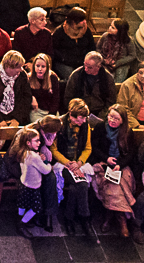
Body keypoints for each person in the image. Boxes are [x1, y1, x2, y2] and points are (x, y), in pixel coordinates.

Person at [90, 104, 137, 236]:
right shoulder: (101, 127)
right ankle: (122, 220)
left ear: (123, 120)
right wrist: (107, 158)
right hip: (103, 162)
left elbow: (131, 153)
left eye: (116, 118)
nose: (112, 120)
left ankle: (109, 217)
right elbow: (94, 147)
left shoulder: (127, 132)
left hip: (120, 164)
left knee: (121, 181)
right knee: (113, 185)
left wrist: (120, 165)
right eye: (110, 116)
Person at [51, 98, 95, 237]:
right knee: (81, 184)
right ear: (71, 115)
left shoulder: (85, 126)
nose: (82, 121)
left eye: (84, 118)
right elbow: (53, 149)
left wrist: (79, 163)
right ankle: (84, 218)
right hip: (62, 163)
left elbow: (88, 148)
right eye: (80, 118)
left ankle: (69, 218)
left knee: (78, 186)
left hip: (77, 163)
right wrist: (68, 163)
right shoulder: (59, 125)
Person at [14, 118, 60, 234]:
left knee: (22, 203)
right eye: (37, 141)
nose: (40, 143)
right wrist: (48, 164)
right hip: (31, 185)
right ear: (28, 143)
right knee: (35, 207)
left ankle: (20, 218)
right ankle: (22, 223)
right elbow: (45, 170)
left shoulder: (25, 151)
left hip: (23, 182)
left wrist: (39, 156)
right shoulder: (33, 154)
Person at [51, 7, 96, 80]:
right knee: (73, 78)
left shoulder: (86, 30)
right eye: (81, 21)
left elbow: (91, 47)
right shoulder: (60, 32)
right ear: (73, 22)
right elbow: (54, 50)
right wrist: (64, 59)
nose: (84, 23)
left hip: (82, 62)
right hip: (65, 63)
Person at [27, 53, 60, 121]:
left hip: (50, 111)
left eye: (43, 66)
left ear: (47, 67)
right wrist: (32, 98)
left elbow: (55, 99)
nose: (40, 69)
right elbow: (25, 94)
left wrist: (51, 115)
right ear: (34, 66)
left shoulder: (53, 78)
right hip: (37, 112)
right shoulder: (29, 78)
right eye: (37, 66)